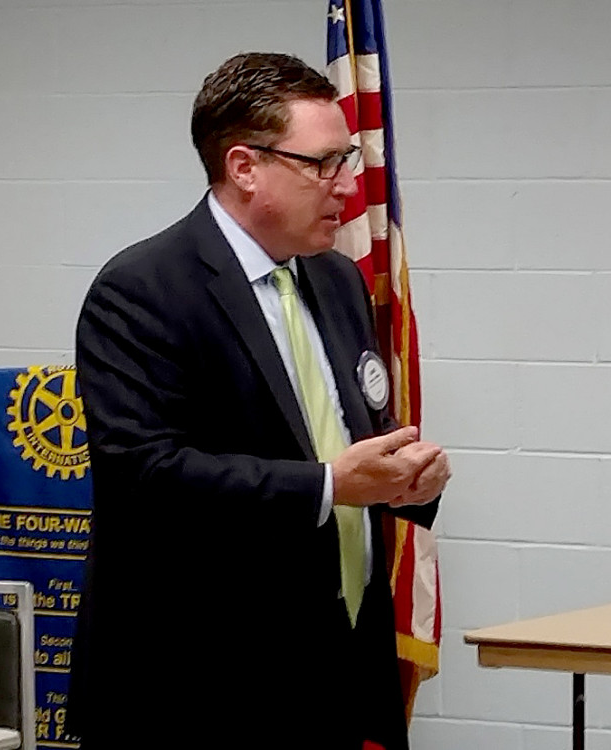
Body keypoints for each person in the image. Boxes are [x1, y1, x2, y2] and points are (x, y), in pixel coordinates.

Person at [67, 52, 450, 750]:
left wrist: (407, 477)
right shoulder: (143, 290)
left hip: (332, 664)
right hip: (199, 686)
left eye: (350, 157)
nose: (347, 185)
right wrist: (332, 484)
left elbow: (353, 428)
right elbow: (147, 474)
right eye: (324, 163)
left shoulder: (335, 280)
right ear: (244, 167)